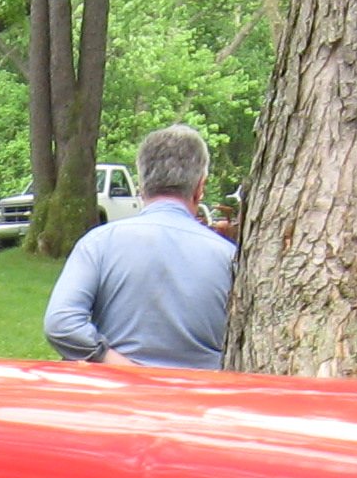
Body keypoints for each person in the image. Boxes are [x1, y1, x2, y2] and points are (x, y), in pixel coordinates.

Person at [42, 123, 236, 371]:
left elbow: (61, 323)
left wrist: (118, 364)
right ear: (200, 187)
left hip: (120, 397)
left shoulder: (99, 243)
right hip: (201, 398)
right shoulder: (228, 256)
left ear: (141, 184)